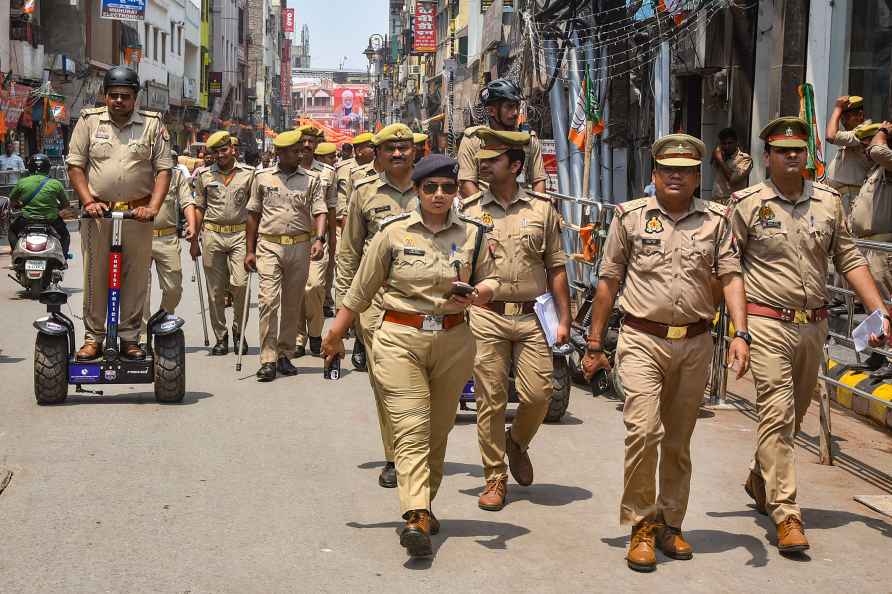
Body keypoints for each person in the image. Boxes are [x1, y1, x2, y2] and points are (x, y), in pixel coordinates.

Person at [581, 134, 750, 573]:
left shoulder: (716, 221)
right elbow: (608, 281)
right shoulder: (630, 219)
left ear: (697, 177)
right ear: (653, 174)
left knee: (677, 441)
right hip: (641, 339)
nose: (676, 176)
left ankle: (670, 523)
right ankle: (639, 524)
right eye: (667, 169)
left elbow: (731, 278)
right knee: (643, 432)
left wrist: (741, 334)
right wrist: (595, 343)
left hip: (695, 342)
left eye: (686, 170)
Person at [322, 154, 498, 559]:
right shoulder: (391, 233)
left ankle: (426, 502)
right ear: (417, 190)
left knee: (438, 430)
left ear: (456, 192)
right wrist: (334, 334)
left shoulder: (474, 233)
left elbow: (492, 277)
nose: (439, 195)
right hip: (400, 336)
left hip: (454, 340)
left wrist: (481, 292)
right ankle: (415, 512)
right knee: (412, 427)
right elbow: (361, 290)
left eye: (448, 188)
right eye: (430, 188)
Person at [730, 116, 890, 555]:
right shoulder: (747, 204)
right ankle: (787, 513)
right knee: (777, 414)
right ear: (767, 156)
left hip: (813, 325)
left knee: (795, 413)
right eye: (783, 150)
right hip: (766, 323)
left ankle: (760, 476)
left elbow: (850, 258)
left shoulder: (829, 202)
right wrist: (736, 330)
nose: (791, 156)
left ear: (807, 155)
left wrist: (878, 307)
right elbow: (727, 269)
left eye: (798, 149)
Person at [462, 128, 570, 511]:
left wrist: (564, 320)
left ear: (516, 166)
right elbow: (460, 270)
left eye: (493, 160)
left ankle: (517, 442)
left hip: (531, 316)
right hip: (486, 316)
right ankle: (494, 476)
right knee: (490, 398)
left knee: (540, 394)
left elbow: (557, 269)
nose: (484, 165)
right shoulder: (471, 211)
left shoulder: (541, 210)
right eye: (483, 159)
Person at [66, 65, 173, 361]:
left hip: (137, 216)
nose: (118, 101)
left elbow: (164, 170)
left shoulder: (152, 124)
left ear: (135, 97)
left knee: (136, 277)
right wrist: (88, 202)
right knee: (96, 276)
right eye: (113, 95)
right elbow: (75, 166)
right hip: (98, 216)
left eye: (125, 96)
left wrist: (152, 208)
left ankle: (130, 337)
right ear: (105, 96)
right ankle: (93, 337)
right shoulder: (88, 121)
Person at [335, 123, 418, 489]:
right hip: (376, 302)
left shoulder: (433, 188)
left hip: (423, 299)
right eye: (391, 149)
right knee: (386, 382)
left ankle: (417, 449)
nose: (398, 153)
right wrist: (345, 310)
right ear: (379, 155)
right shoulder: (363, 192)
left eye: (404, 147)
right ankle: (394, 456)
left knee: (424, 383)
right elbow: (350, 249)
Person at [245, 129, 327, 381]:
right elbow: (252, 215)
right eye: (294, 151)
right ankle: (268, 358)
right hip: (269, 246)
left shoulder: (311, 179)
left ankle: (285, 354)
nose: (300, 154)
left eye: (301, 150)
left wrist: (320, 239)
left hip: (300, 246)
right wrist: (249, 250)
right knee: (269, 301)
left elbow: (320, 210)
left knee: (292, 304)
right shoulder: (262, 178)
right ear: (280, 153)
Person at [191, 130, 257, 355]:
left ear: (232, 149)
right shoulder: (204, 176)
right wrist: (193, 238)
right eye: (215, 152)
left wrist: (252, 247)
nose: (220, 155)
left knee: (240, 285)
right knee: (216, 291)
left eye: (223, 150)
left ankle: (239, 332)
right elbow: (199, 207)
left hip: (239, 234)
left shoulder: (249, 175)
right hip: (212, 234)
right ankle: (221, 336)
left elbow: (254, 212)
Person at [846, 120, 892, 379]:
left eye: (869, 141)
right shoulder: (876, 169)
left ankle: (890, 355)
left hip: (884, 248)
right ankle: (879, 352)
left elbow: (878, 151)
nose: (866, 147)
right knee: (874, 304)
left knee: (887, 302)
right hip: (870, 246)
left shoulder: (887, 164)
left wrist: (883, 132)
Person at [458, 79, 547, 198]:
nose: (515, 112)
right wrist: (485, 214)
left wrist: (538, 212)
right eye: (509, 107)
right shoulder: (473, 139)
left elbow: (538, 181)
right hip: (483, 210)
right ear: (491, 111)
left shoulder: (528, 139)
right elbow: (466, 184)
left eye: (517, 106)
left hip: (523, 211)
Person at [142, 148, 198, 338]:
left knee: (173, 288)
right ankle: (142, 334)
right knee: (140, 288)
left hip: (167, 237)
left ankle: (162, 319)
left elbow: (187, 202)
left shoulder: (176, 176)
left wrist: (192, 225)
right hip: (139, 236)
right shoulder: (136, 173)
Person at [292, 126, 338, 357]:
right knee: (297, 290)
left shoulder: (328, 173)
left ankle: (316, 333)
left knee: (315, 287)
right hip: (292, 239)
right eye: (303, 141)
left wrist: (331, 241)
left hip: (317, 240)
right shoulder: (286, 171)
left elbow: (331, 211)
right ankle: (299, 338)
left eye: (311, 141)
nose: (307, 146)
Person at [8, 153, 71, 255]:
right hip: (50, 220)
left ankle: (15, 253)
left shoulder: (22, 182)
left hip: (27, 219)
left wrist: (18, 205)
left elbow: (11, 202)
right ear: (48, 168)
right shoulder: (56, 183)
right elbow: (66, 205)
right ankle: (64, 258)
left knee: (12, 230)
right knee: (65, 235)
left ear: (30, 167)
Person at [825, 95, 869, 214]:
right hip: (841, 196)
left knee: (847, 232)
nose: (842, 121)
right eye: (841, 117)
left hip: (850, 198)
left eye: (846, 117)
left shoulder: (864, 133)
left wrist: (838, 107)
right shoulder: (851, 136)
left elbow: (831, 136)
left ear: (860, 115)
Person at [710, 128, 752, 203]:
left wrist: (720, 160)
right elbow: (712, 162)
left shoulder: (745, 159)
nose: (727, 146)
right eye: (724, 143)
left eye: (730, 143)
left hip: (733, 202)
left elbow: (733, 179)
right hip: (716, 201)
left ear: (736, 142)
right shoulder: (722, 155)